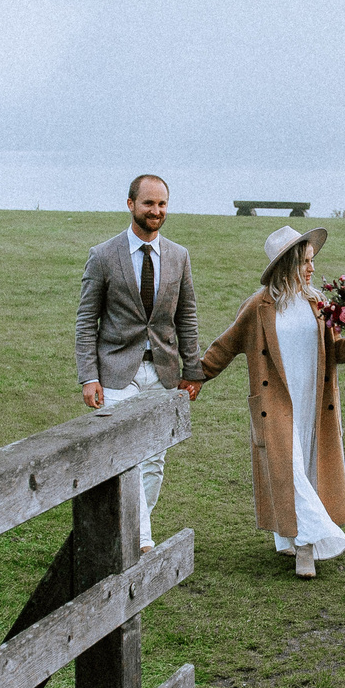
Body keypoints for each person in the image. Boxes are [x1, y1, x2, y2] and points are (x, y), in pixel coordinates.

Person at [193, 224, 345, 578]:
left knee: (306, 465)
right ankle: (309, 545)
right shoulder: (258, 307)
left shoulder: (317, 303)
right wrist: (194, 377)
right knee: (286, 467)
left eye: (312, 260)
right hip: (274, 402)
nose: (312, 268)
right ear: (288, 264)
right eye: (305, 261)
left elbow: (334, 351)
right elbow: (224, 347)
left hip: (314, 400)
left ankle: (292, 538)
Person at [74, 173, 203, 550]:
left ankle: (126, 532)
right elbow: (86, 321)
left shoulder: (179, 257)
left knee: (153, 463)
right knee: (123, 458)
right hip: (115, 372)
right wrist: (88, 376)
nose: (156, 211)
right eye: (148, 203)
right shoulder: (103, 256)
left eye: (162, 204)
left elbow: (187, 316)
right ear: (130, 204)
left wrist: (192, 371)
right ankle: (142, 541)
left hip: (163, 373)